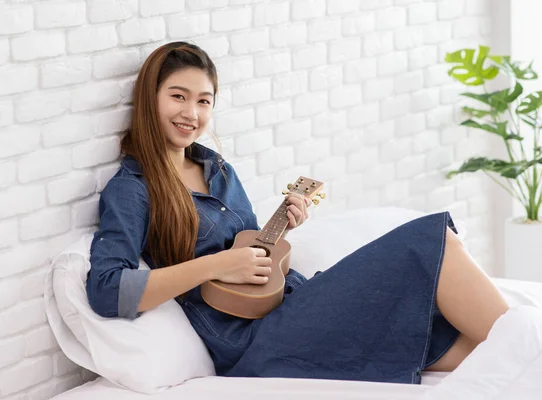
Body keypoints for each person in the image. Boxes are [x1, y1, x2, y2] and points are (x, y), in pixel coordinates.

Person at [86, 41, 509, 384]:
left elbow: (254, 252)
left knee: (469, 344)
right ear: (149, 97)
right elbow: (107, 291)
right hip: (253, 341)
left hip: (296, 302)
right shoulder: (133, 191)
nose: (192, 114)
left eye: (204, 101)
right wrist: (215, 264)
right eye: (177, 96)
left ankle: (540, 353)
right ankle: (532, 339)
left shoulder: (217, 168)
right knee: (432, 241)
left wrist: (283, 225)